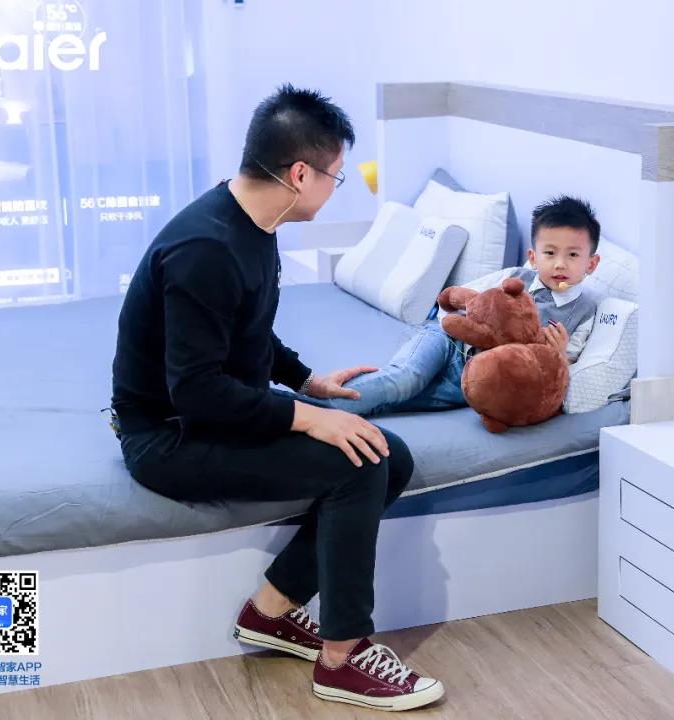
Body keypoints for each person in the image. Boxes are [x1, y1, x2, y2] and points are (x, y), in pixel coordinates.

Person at [110, 85, 444, 711]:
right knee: (358, 465)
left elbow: (248, 331)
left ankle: (270, 612)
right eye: (335, 177)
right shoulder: (207, 249)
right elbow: (197, 390)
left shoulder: (252, 222)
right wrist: (308, 419)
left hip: (208, 413)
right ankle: (342, 659)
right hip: (168, 437)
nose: (335, 188)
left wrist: (306, 381)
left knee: (387, 454)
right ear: (299, 174)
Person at [316, 196, 603, 417]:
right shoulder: (514, 277)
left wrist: (560, 354)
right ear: (533, 257)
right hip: (449, 341)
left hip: (476, 378)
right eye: (550, 253)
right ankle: (313, 410)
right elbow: (463, 300)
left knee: (400, 400)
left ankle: (329, 409)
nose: (560, 264)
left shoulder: (586, 311)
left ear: (591, 264)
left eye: (573, 255)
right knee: (405, 381)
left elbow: (565, 370)